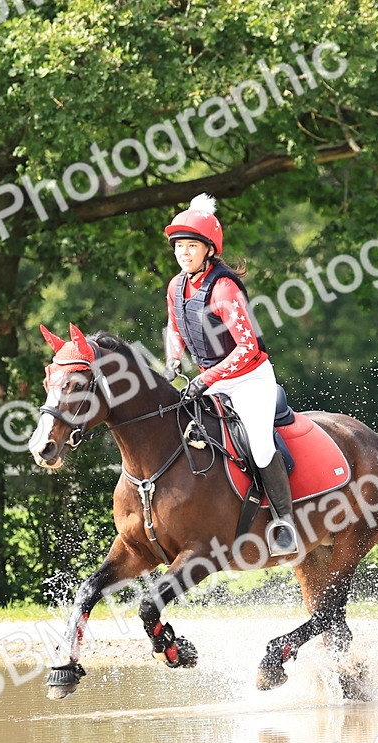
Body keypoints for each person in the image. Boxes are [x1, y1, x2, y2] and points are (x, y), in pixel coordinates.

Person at [162, 193, 299, 555]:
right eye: (179, 246)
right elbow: (174, 327)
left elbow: (247, 348)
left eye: (192, 246)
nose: (184, 253)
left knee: (259, 443)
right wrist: (172, 360)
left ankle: (285, 523)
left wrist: (206, 379)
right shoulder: (176, 286)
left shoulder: (224, 288)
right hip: (209, 380)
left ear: (209, 249)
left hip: (249, 379)